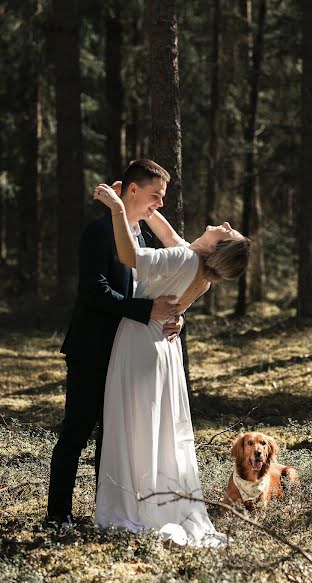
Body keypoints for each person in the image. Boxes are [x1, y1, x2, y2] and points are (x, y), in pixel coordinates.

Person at [93, 182, 251, 547]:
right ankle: (154, 498)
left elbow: (132, 256)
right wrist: (144, 207)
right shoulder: (197, 269)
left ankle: (136, 505)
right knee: (156, 427)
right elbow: (165, 231)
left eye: (228, 231)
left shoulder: (183, 259)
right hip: (164, 351)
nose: (224, 223)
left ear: (218, 246)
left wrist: (118, 208)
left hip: (140, 344)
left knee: (135, 424)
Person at [47, 159, 184, 527]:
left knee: (115, 439)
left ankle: (107, 513)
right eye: (156, 195)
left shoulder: (141, 236)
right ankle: (57, 514)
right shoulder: (99, 232)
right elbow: (94, 292)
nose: (160, 203)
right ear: (133, 190)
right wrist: (146, 311)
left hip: (129, 354)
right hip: (93, 350)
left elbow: (153, 287)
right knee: (77, 431)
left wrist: (174, 314)